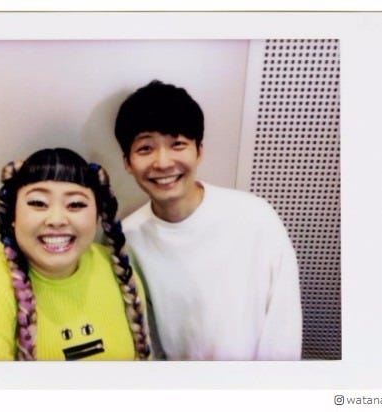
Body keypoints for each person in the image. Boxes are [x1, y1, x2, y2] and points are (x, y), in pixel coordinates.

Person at [113, 80, 302, 361]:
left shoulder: (254, 217)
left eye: (178, 144)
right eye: (145, 148)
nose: (163, 162)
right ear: (127, 162)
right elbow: (144, 336)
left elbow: (283, 322)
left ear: (199, 150)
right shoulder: (127, 239)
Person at [0, 148, 151, 361]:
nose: (57, 219)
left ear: (97, 217)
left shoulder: (115, 267)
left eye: (75, 204)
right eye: (38, 203)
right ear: (13, 215)